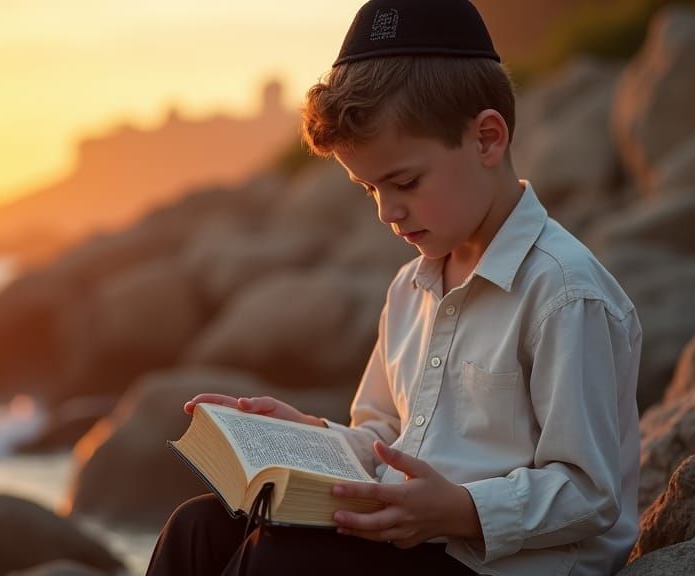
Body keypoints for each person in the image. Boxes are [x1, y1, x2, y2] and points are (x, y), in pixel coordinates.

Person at [146, 0, 641, 574]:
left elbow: (591, 490)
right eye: (368, 189)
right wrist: (309, 437)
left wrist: (458, 510)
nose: (387, 211)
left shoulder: (562, 292)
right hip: (409, 544)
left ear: (486, 139)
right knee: (197, 528)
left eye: (403, 181)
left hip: (499, 562)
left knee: (281, 557)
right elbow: (383, 438)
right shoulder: (411, 287)